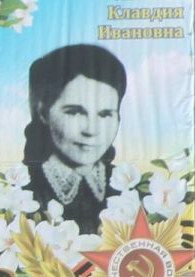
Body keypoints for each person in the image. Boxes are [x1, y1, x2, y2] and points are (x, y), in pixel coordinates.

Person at [19, 43, 125, 235]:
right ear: (43, 112)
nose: (91, 130)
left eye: (105, 114)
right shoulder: (21, 192)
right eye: (75, 112)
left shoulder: (132, 189)